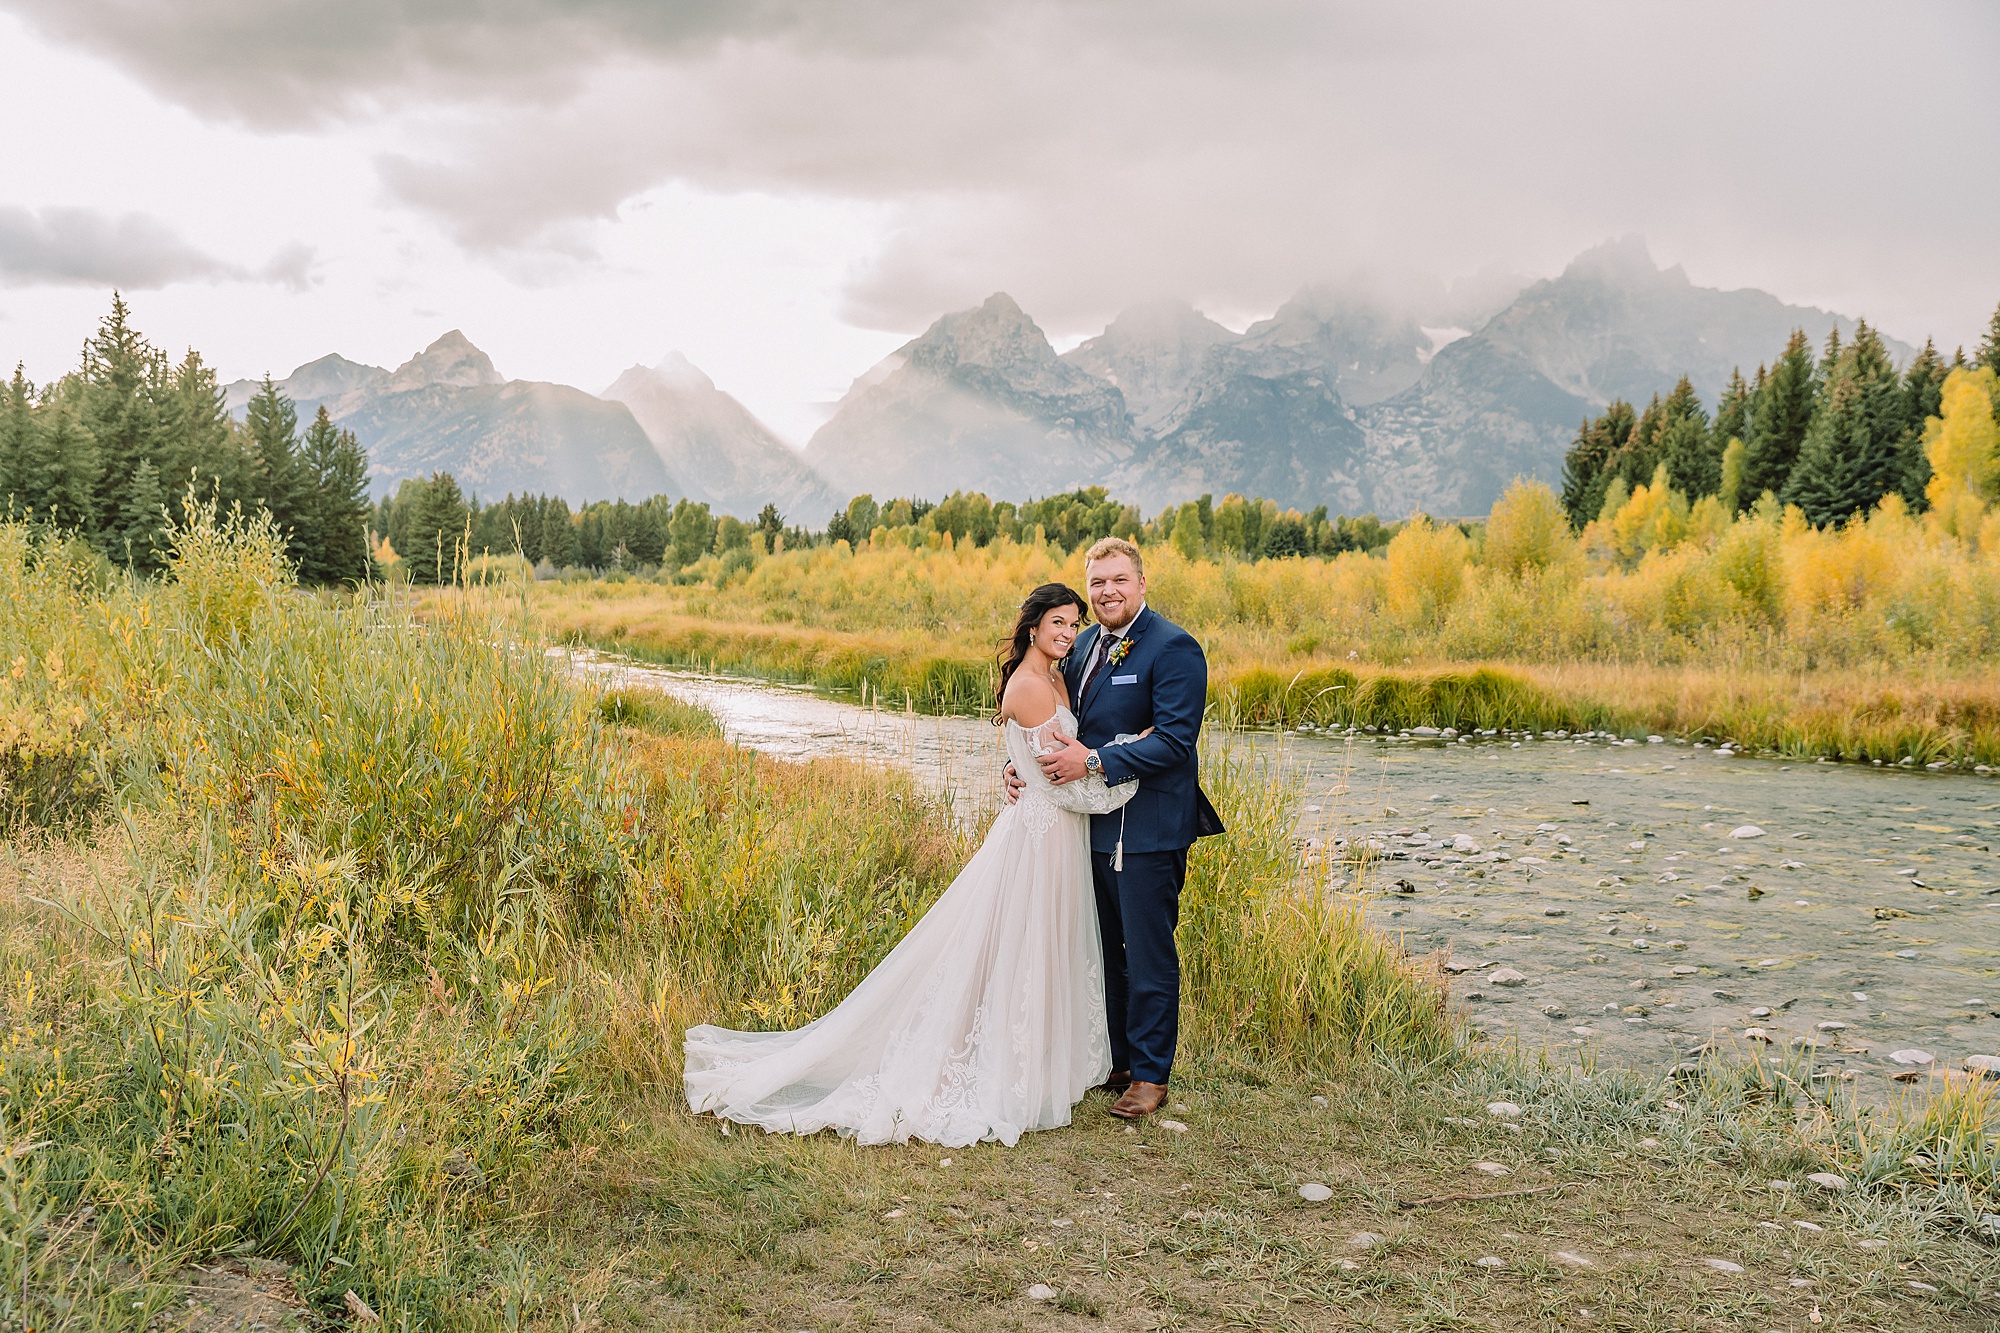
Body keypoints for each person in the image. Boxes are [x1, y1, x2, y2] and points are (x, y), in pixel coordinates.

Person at [683, 583, 1137, 1146]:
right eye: (1059, 624)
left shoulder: (1054, 674)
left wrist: (1026, 766)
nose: (1069, 634)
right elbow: (1063, 783)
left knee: (1040, 942)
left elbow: (1037, 760)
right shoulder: (1029, 684)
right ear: (1033, 626)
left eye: (1074, 624)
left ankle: (1043, 1061)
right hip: (1042, 834)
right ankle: (1007, 1066)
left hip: (1053, 830)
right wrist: (1127, 770)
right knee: (1024, 941)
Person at [1008, 536, 1220, 1120]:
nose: (1107, 592)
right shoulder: (1078, 651)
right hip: (1087, 828)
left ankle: (1151, 1077)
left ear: (1142, 583)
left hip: (1149, 828)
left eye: (1118, 580)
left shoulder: (1174, 648)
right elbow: (1056, 726)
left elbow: (1175, 741)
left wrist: (1094, 762)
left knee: (1149, 951)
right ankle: (1118, 1061)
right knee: (1104, 949)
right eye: (1097, 583)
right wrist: (1022, 764)